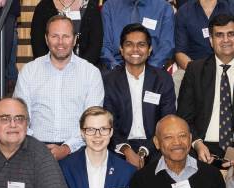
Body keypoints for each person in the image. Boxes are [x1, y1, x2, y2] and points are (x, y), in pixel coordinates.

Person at [177, 14, 234, 165]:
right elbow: (184, 116)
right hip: (201, 146)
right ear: (211, 41)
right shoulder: (195, 71)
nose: (225, 40)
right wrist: (197, 144)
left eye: (231, 34)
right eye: (219, 35)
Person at [15, 15, 107, 161]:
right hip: (34, 150)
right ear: (46, 39)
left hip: (78, 150)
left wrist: (67, 148)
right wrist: (37, 148)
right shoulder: (29, 71)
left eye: (66, 36)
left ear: (75, 39)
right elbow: (19, 117)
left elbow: (92, 121)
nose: (60, 42)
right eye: (54, 36)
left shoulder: (91, 73)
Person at [104, 24, 178, 169]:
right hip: (118, 147)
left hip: (156, 148)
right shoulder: (109, 80)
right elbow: (108, 122)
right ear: (121, 49)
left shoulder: (162, 79)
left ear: (149, 50)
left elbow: (167, 120)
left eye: (141, 45)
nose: (135, 50)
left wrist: (145, 151)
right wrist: (126, 150)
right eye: (129, 45)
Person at [100, 0, 175, 69]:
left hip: (152, 67)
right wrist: (115, 68)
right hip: (116, 67)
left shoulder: (164, 8)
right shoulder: (110, 7)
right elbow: (104, 46)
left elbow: (166, 46)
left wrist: (149, 71)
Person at [29, 0, 104, 68]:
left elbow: (95, 46)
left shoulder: (91, 7)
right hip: (48, 70)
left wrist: (79, 69)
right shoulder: (43, 7)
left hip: (85, 70)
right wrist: (52, 68)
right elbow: (38, 45)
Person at [172, 0, 234, 70]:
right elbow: (180, 53)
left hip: (228, 69)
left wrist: (223, 72)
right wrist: (197, 72)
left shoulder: (233, 11)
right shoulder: (184, 12)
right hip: (194, 69)